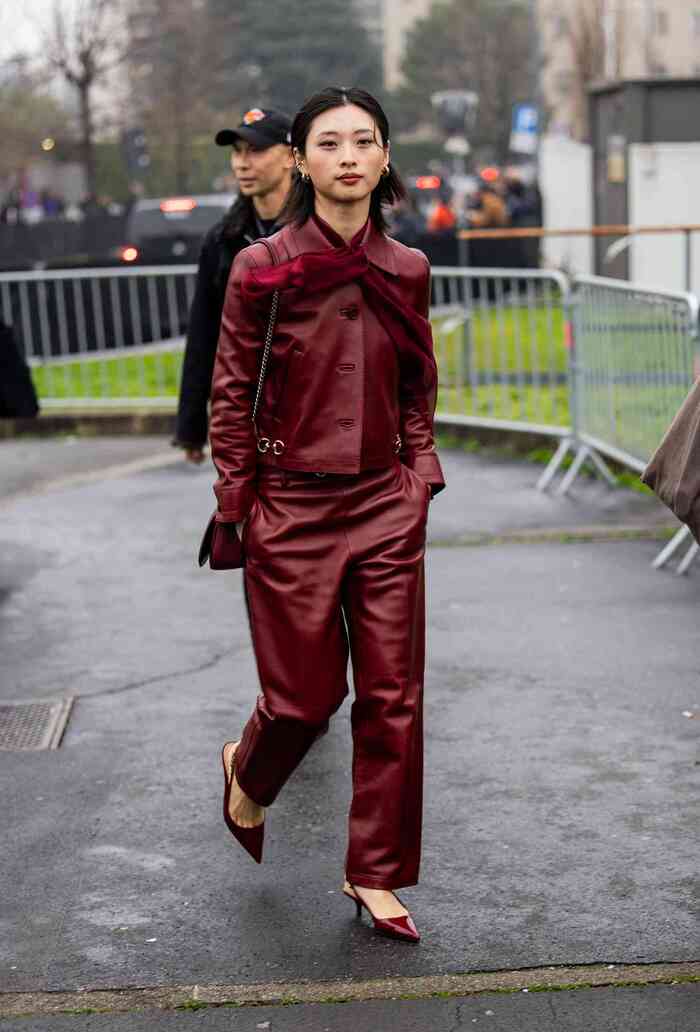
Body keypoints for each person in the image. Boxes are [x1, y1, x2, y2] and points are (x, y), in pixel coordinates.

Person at [208, 86, 445, 943]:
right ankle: (251, 769)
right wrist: (237, 500)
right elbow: (230, 392)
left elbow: (417, 383)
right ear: (303, 162)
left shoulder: (408, 269)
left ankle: (375, 872)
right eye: (330, 143)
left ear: (385, 159)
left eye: (365, 141)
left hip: (385, 504)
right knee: (303, 701)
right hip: (290, 507)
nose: (349, 156)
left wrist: (419, 471)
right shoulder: (260, 265)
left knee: (394, 698)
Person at [174, 108, 294, 462]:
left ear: (290, 156)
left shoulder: (318, 230)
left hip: (310, 405)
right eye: (237, 152)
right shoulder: (223, 238)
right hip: (245, 409)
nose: (242, 163)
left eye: (255, 151)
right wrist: (191, 425)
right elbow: (204, 332)